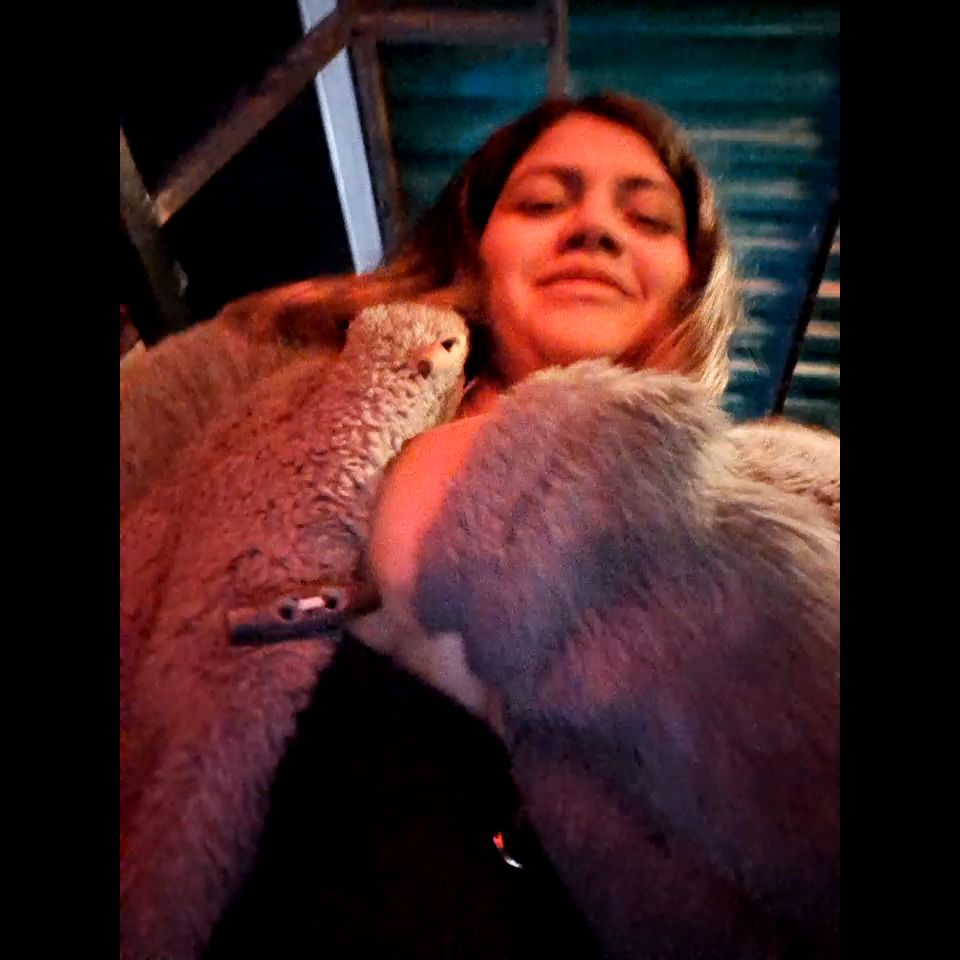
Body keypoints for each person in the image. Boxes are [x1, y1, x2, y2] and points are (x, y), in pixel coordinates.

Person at [120, 93, 839, 959]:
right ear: (475, 242)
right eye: (542, 202)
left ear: (693, 278)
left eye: (647, 218)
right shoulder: (260, 363)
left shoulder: (800, 487)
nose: (595, 230)